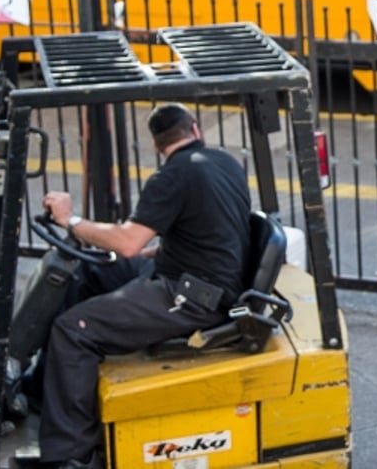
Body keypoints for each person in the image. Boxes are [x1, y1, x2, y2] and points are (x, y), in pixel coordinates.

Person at [37, 102, 252, 468]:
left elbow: (126, 242)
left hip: (191, 296)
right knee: (87, 275)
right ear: (195, 129)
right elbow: (209, 226)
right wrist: (159, 251)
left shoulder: (171, 177)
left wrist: (69, 219)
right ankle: (41, 389)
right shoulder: (223, 162)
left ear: (156, 144)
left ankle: (69, 456)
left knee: (72, 330)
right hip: (189, 276)